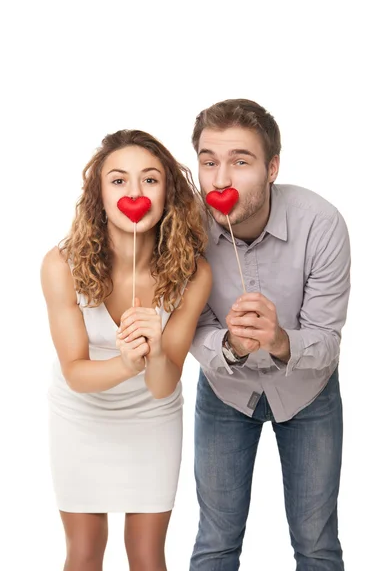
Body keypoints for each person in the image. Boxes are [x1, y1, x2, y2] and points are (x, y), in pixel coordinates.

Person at [189, 99, 350, 571]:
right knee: (216, 544)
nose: (221, 180)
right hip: (226, 392)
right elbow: (191, 328)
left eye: (240, 162)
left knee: (317, 545)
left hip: (308, 393)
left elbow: (327, 340)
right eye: (209, 161)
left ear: (272, 166)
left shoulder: (321, 225)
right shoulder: (186, 230)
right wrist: (230, 346)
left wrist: (279, 340)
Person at [41, 129, 212, 571]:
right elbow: (76, 372)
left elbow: (162, 385)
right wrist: (124, 362)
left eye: (150, 180)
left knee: (146, 552)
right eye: (118, 181)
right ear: (98, 194)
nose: (134, 192)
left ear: (167, 191)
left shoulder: (194, 273)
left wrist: (154, 353)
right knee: (83, 551)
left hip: (151, 417)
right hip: (80, 415)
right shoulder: (61, 265)